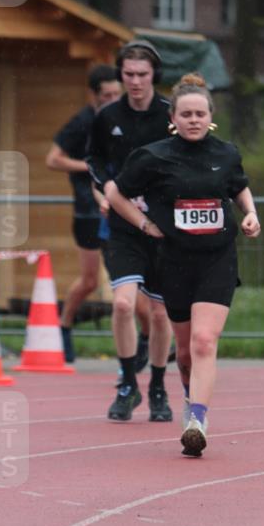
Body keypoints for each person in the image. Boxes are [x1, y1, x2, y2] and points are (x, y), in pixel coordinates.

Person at [107, 73, 260, 456]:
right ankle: (192, 398)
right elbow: (116, 193)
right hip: (172, 261)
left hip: (217, 259)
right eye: (186, 114)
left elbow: (238, 185)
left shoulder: (225, 153)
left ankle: (197, 418)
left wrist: (250, 214)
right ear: (173, 119)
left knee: (205, 341)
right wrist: (144, 224)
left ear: (210, 117)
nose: (193, 120)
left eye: (200, 114)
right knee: (187, 352)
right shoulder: (153, 156)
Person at [86, 40, 174, 422]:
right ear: (120, 75)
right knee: (122, 303)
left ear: (154, 74)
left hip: (162, 226)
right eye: (128, 75)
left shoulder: (170, 114)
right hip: (123, 223)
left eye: (142, 74)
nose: (135, 81)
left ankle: (157, 385)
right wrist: (103, 188)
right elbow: (94, 160)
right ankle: (126, 383)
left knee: (158, 314)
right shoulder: (107, 116)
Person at [46, 64, 150, 366]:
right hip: (89, 211)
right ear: (93, 95)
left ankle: (147, 341)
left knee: (139, 287)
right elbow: (53, 159)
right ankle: (63, 328)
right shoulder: (83, 121)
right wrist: (91, 167)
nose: (112, 99)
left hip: (121, 211)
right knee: (90, 281)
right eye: (106, 94)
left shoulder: (124, 118)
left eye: (116, 94)